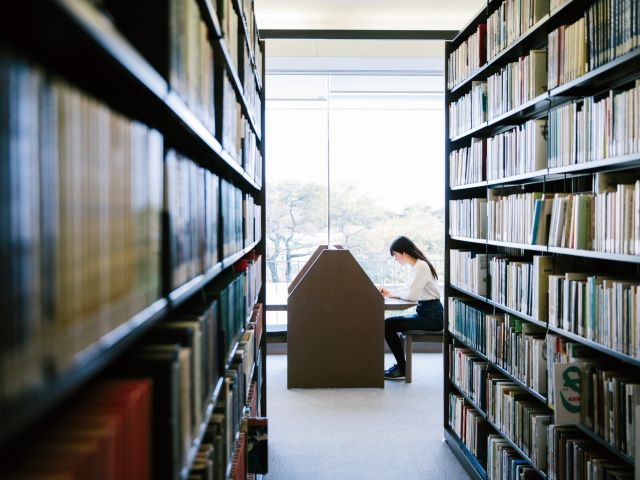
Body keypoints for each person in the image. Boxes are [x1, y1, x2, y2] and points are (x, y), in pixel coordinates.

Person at [379, 236, 443, 380]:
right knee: (388, 324)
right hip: (427, 312)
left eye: (396, 255)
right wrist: (392, 293)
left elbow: (412, 295)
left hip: (431, 317)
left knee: (387, 325)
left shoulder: (421, 267)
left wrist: (393, 295)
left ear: (404, 253)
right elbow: (408, 290)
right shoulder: (417, 266)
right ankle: (402, 366)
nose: (396, 259)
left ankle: (402, 368)